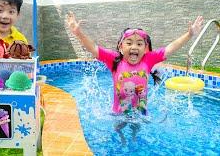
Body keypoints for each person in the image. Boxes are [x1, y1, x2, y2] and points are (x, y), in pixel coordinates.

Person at [66, 12, 203, 144]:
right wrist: (78, 33)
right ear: (120, 47)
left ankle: (133, 138)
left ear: (145, 48)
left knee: (136, 129)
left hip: (141, 113)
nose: (134, 47)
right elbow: (93, 48)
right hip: (118, 113)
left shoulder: (148, 60)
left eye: (139, 44)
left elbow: (171, 48)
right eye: (129, 43)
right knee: (118, 129)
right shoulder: (114, 60)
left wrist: (189, 34)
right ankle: (122, 139)